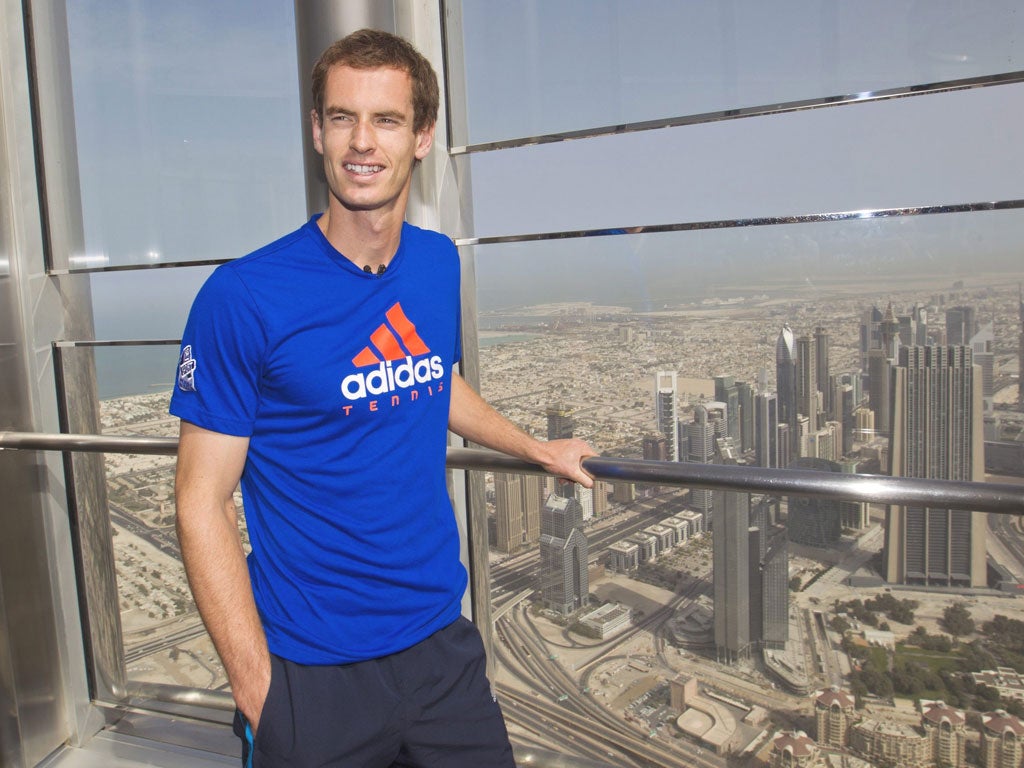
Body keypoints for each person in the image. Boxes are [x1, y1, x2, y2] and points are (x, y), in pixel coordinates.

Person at [170, 28, 596, 767]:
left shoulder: (435, 264)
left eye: (387, 120)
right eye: (342, 117)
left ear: (423, 137)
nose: (362, 142)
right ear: (316, 131)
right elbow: (199, 500)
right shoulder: (242, 296)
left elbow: (435, 378)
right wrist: (256, 686)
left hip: (441, 647)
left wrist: (537, 449)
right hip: (310, 671)